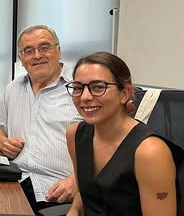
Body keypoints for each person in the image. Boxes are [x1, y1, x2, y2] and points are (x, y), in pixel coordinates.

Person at [66, 51, 180, 216]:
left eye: (98, 87)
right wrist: (74, 211)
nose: (85, 97)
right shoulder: (75, 135)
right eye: (78, 88)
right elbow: (85, 194)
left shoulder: (150, 152)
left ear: (125, 93)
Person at [0, 24, 81, 214]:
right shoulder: (14, 87)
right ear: (21, 59)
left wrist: (77, 179)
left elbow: (108, 145)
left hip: (59, 192)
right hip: (14, 184)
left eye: (44, 47)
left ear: (59, 51)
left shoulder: (80, 89)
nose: (37, 55)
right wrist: (2, 141)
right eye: (28, 51)